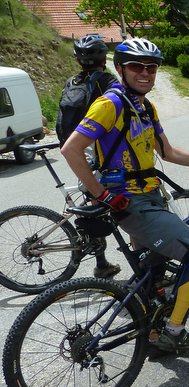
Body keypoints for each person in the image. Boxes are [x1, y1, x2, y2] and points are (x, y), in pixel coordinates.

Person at [60, 38, 189, 357]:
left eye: (151, 67)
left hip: (151, 197)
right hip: (130, 203)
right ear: (120, 69)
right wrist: (102, 195)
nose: (145, 73)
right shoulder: (110, 104)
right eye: (136, 67)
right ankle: (174, 332)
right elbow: (71, 149)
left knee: (152, 271)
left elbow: (167, 152)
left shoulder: (145, 106)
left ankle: (152, 332)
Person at [59, 34, 121, 279]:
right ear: (103, 57)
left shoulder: (71, 81)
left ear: (78, 59)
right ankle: (101, 263)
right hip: (94, 146)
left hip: (74, 145)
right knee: (103, 200)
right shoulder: (107, 80)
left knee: (93, 197)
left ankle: (101, 260)